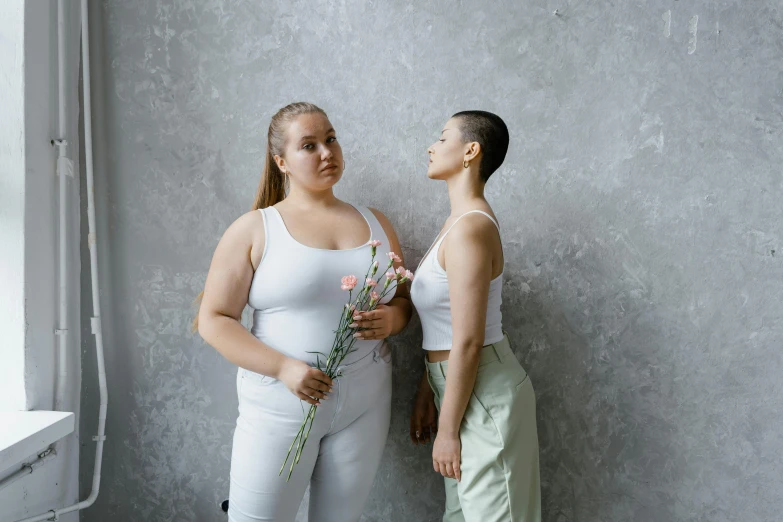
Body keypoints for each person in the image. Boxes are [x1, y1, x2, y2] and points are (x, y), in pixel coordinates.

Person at [195, 102, 412, 522]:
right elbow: (214, 319)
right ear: (282, 162)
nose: (327, 152)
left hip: (365, 401)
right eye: (309, 145)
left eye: (330, 138)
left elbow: (402, 300)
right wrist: (283, 368)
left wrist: (395, 319)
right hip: (281, 402)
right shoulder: (255, 228)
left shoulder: (377, 223)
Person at [409, 110, 541, 522]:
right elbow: (446, 323)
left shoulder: (471, 228)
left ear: (470, 150)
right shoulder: (457, 222)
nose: (432, 146)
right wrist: (429, 387)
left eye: (442, 137)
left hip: (484, 392)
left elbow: (468, 340)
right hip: (461, 388)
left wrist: (448, 431)